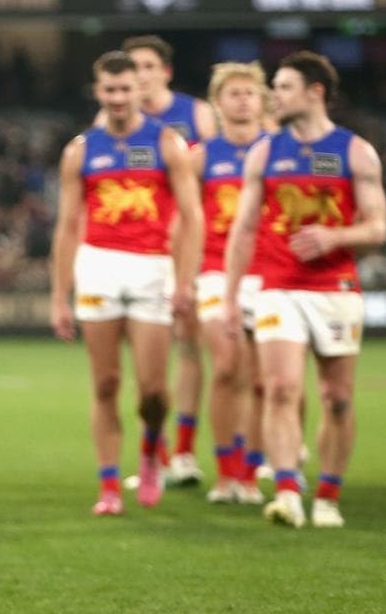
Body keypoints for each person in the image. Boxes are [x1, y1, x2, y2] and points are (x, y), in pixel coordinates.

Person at [224, 51, 386, 529]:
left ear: (315, 92)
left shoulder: (355, 151)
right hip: (277, 287)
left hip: (335, 288)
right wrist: (233, 296)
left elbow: (378, 227)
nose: (274, 95)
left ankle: (328, 497)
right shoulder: (265, 152)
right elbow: (245, 229)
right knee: (279, 388)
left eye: (284, 86)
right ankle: (289, 492)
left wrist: (336, 237)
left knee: (337, 396)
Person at [50, 50, 202, 516]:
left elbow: (193, 218)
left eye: (125, 89)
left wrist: (185, 280)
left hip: (152, 267)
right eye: (109, 90)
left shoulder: (168, 143)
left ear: (141, 90)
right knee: (105, 384)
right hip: (98, 267)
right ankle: (110, 484)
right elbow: (68, 224)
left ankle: (153, 448)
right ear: (98, 92)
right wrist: (59, 294)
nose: (118, 98)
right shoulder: (80, 150)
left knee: (153, 390)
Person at [123, 34, 218, 486]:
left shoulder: (196, 114)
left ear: (166, 72)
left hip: (192, 243)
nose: (139, 76)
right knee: (148, 357)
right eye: (132, 68)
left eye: (146, 66)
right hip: (141, 248)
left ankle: (182, 451)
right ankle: (154, 455)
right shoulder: (117, 124)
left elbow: (223, 171)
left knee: (190, 341)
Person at [191, 61, 268, 506]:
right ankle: (224, 471)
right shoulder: (201, 155)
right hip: (216, 271)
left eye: (249, 93)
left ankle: (249, 472)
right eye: (233, 94)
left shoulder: (277, 150)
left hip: (267, 272)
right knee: (225, 367)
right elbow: (184, 218)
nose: (242, 101)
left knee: (260, 380)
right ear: (217, 104)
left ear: (262, 101)